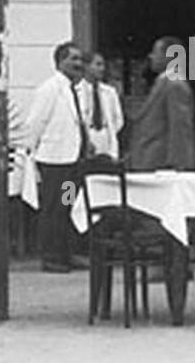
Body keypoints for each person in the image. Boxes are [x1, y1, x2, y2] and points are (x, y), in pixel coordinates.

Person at [23, 41, 89, 273]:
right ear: (60, 62)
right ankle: (50, 256)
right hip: (54, 161)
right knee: (53, 208)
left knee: (67, 206)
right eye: (73, 59)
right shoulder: (50, 89)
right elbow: (36, 122)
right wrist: (30, 152)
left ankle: (66, 253)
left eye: (80, 59)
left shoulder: (77, 90)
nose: (78, 64)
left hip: (72, 161)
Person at [127, 36, 195, 171]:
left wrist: (177, 165)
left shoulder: (174, 84)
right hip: (149, 162)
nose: (151, 56)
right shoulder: (163, 82)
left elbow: (180, 127)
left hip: (160, 165)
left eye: (155, 52)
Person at [81, 50, 125, 160]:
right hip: (88, 134)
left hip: (106, 135)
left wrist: (109, 132)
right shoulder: (77, 90)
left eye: (103, 65)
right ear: (86, 66)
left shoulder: (109, 92)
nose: (102, 69)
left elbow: (118, 119)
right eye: (98, 65)